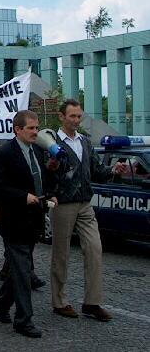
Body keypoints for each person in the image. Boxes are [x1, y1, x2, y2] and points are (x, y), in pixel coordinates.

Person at [50, 99, 122, 322]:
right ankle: (59, 301)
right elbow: (46, 173)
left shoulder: (85, 142)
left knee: (94, 248)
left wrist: (114, 171)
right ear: (62, 117)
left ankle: (92, 302)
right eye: (72, 116)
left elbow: (97, 171)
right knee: (61, 254)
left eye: (79, 116)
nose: (76, 120)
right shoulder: (52, 142)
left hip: (84, 203)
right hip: (62, 204)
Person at [0, 110, 58, 339]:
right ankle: (23, 320)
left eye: (37, 128)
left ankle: (0, 303)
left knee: (20, 270)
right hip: (13, 222)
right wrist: (21, 196)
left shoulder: (37, 151)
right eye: (31, 128)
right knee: (23, 271)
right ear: (17, 129)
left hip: (33, 221)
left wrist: (50, 195)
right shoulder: (4, 153)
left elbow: (41, 180)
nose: (36, 132)